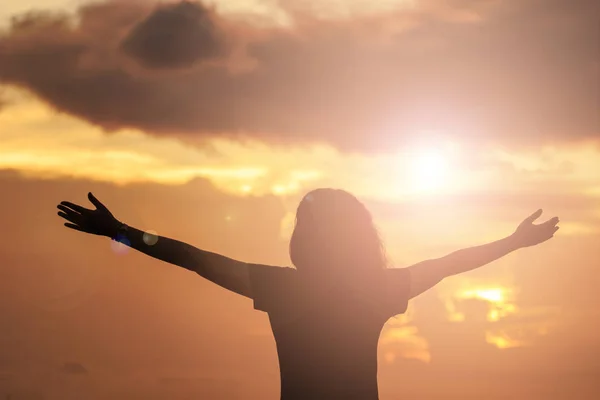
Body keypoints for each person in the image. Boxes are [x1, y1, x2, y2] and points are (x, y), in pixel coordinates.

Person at [56, 189, 559, 400]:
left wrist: (119, 231)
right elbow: (450, 264)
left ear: (304, 238)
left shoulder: (281, 288)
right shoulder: (380, 289)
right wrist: (513, 242)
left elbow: (190, 256)